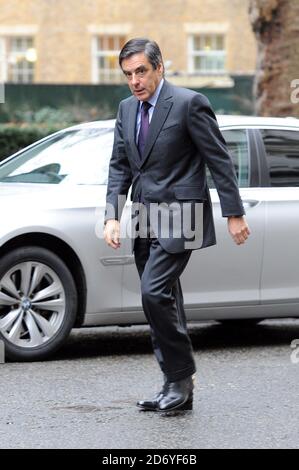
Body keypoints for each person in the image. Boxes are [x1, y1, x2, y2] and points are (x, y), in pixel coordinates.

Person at [104, 38, 250, 412]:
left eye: (141, 71)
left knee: (154, 294)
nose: (134, 81)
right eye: (128, 75)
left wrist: (234, 213)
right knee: (165, 301)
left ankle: (181, 376)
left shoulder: (189, 103)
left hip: (181, 216)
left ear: (159, 68)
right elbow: (120, 165)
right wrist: (112, 215)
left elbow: (218, 160)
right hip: (142, 217)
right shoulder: (125, 110)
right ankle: (175, 384)